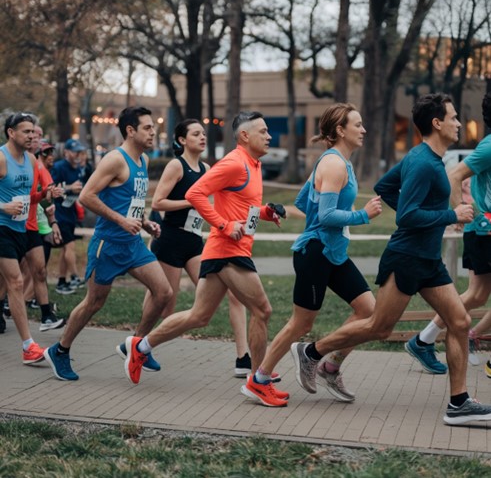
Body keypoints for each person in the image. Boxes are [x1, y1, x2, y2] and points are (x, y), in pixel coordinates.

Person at [289, 93, 491, 426]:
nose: (458, 123)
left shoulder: (424, 158)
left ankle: (459, 403)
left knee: (459, 321)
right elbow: (408, 216)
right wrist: (449, 213)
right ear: (436, 123)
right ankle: (311, 351)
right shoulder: (424, 163)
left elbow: (384, 185)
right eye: (453, 118)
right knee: (379, 327)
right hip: (407, 257)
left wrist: (439, 215)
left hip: (427, 259)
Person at [121, 111, 287, 389]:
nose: (269, 136)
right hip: (227, 250)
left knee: (199, 316)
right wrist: (223, 225)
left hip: (221, 249)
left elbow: (245, 208)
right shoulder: (234, 162)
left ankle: (140, 347)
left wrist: (267, 212)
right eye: (264, 131)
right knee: (263, 310)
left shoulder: (253, 165)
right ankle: (259, 379)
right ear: (245, 136)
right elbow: (194, 194)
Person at [241, 103, 382, 407]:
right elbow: (327, 215)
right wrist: (363, 215)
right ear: (340, 130)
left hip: (334, 253)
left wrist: (280, 211)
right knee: (300, 324)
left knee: (369, 310)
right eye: (357, 125)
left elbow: (304, 203)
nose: (364, 130)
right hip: (315, 252)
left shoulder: (338, 163)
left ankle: (330, 366)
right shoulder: (333, 165)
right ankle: (260, 379)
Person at [44, 106, 173, 381]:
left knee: (164, 293)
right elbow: (87, 196)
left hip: (133, 243)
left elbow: (133, 202)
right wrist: (121, 221)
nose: (153, 132)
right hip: (108, 245)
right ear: (130, 130)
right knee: (94, 302)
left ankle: (137, 346)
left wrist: (145, 221)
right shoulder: (115, 160)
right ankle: (60, 350)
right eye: (148, 127)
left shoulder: (144, 161)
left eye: (153, 127)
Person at [148, 118, 258, 378]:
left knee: (234, 293)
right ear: (182, 140)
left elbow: (215, 203)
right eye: (195, 133)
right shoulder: (177, 166)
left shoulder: (208, 168)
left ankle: (242, 357)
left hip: (197, 242)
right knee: (164, 302)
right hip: (171, 239)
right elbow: (158, 202)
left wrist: (232, 219)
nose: (202, 137)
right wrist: (190, 203)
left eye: (203, 133)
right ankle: (139, 343)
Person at [404, 92, 491, 376]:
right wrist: (463, 213)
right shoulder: (490, 146)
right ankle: (465, 338)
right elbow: (453, 174)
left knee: (477, 295)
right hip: (484, 232)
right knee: (476, 294)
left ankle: (425, 339)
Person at [0, 112, 47, 362]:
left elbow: (28, 195)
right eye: (26, 131)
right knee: (16, 282)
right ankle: (28, 346)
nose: (32, 136)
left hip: (20, 229)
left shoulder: (30, 159)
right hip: (1, 227)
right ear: (11, 132)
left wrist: (45, 198)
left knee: (4, 282)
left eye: (33, 131)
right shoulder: (1, 157)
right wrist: (2, 207)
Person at [22, 130, 65, 331]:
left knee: (39, 270)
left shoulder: (37, 165)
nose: (34, 137)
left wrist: (49, 195)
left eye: (37, 134)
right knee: (12, 278)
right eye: (29, 133)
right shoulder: (6, 159)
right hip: (9, 226)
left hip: (32, 226)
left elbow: (45, 197)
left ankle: (46, 316)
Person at [50, 138, 85, 293]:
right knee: (70, 246)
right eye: (75, 151)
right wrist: (71, 187)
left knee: (66, 249)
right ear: (66, 152)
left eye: (79, 151)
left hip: (70, 213)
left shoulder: (77, 169)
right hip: (59, 213)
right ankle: (76, 277)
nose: (78, 154)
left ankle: (62, 282)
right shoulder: (58, 167)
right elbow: (52, 189)